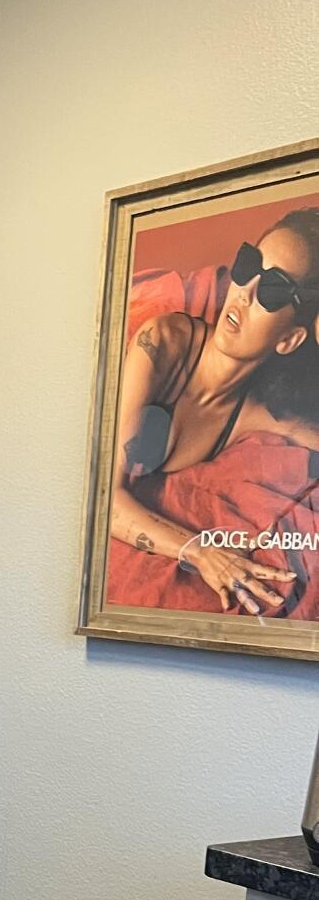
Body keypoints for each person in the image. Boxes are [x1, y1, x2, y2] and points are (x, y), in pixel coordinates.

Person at [110, 209, 319, 614]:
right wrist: (203, 553)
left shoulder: (255, 413)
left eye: (273, 289)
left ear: (291, 339)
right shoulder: (162, 345)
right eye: (248, 266)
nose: (244, 291)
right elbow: (103, 498)